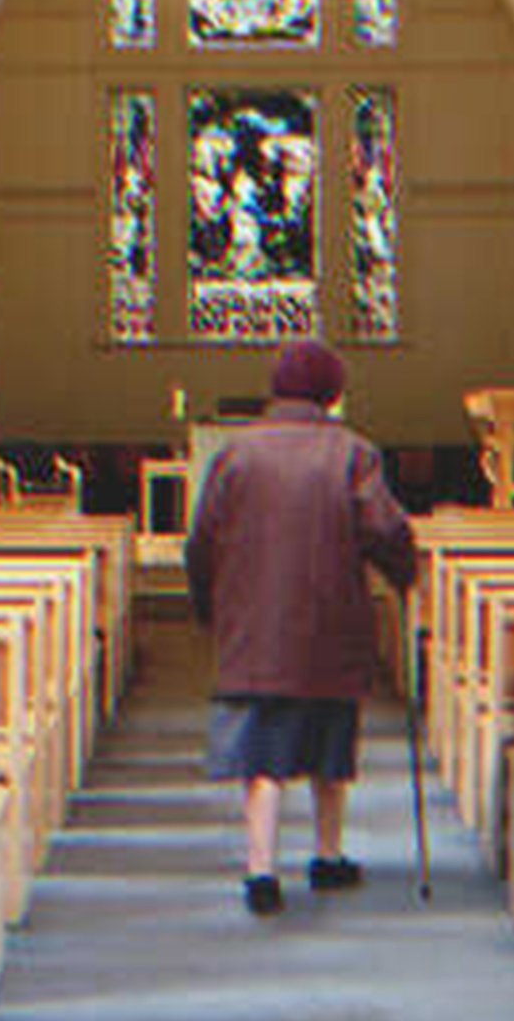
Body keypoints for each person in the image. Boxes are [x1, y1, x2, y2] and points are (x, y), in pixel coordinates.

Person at [186, 339, 417, 916]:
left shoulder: (237, 453)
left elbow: (202, 539)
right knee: (329, 746)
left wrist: (209, 605)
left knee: (260, 756)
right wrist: (404, 573)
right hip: (328, 621)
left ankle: (260, 869)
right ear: (331, 393)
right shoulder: (352, 452)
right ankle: (326, 854)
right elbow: (384, 530)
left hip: (255, 625)